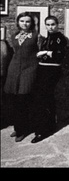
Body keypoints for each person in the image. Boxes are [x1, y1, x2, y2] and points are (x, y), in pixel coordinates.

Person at [31, 15, 68, 143]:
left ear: (57, 25)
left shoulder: (60, 38)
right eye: (48, 25)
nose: (50, 27)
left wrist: (45, 53)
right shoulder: (46, 38)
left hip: (52, 70)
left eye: (53, 24)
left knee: (44, 98)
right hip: (42, 69)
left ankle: (44, 130)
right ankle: (46, 126)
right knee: (42, 99)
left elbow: (60, 55)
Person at [4, 12, 40, 142]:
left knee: (23, 99)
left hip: (29, 69)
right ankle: (17, 127)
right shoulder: (14, 35)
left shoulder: (36, 36)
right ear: (18, 23)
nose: (25, 24)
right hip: (14, 70)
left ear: (32, 23)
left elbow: (40, 52)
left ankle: (23, 130)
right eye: (22, 21)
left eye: (27, 21)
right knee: (13, 99)